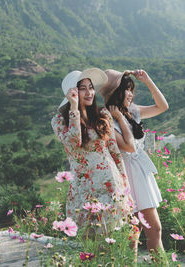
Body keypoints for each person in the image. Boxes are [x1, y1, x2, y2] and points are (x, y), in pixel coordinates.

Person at [51, 68, 133, 235]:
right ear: (72, 92)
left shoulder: (102, 114)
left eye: (91, 87)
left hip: (111, 184)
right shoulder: (59, 120)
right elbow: (75, 142)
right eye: (83, 88)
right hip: (84, 189)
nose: (89, 92)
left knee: (116, 238)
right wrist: (74, 108)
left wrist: (126, 187)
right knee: (90, 243)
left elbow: (114, 152)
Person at [100, 69, 169, 256]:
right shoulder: (104, 119)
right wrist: (121, 119)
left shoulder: (131, 111)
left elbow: (162, 106)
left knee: (149, 230)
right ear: (115, 93)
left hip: (139, 173)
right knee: (136, 232)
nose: (131, 94)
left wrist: (148, 80)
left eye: (132, 90)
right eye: (126, 90)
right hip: (125, 175)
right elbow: (128, 148)